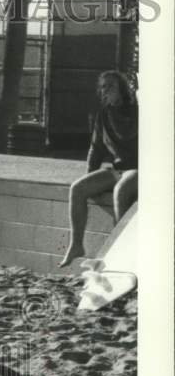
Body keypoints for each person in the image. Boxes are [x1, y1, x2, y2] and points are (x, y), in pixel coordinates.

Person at [59, 70, 138, 267]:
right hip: (117, 169)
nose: (105, 91)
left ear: (122, 88)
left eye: (110, 86)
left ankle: (122, 248)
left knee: (121, 191)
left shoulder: (138, 109)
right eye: (102, 87)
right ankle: (76, 245)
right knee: (77, 188)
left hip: (138, 168)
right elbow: (95, 148)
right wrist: (90, 175)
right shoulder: (103, 114)